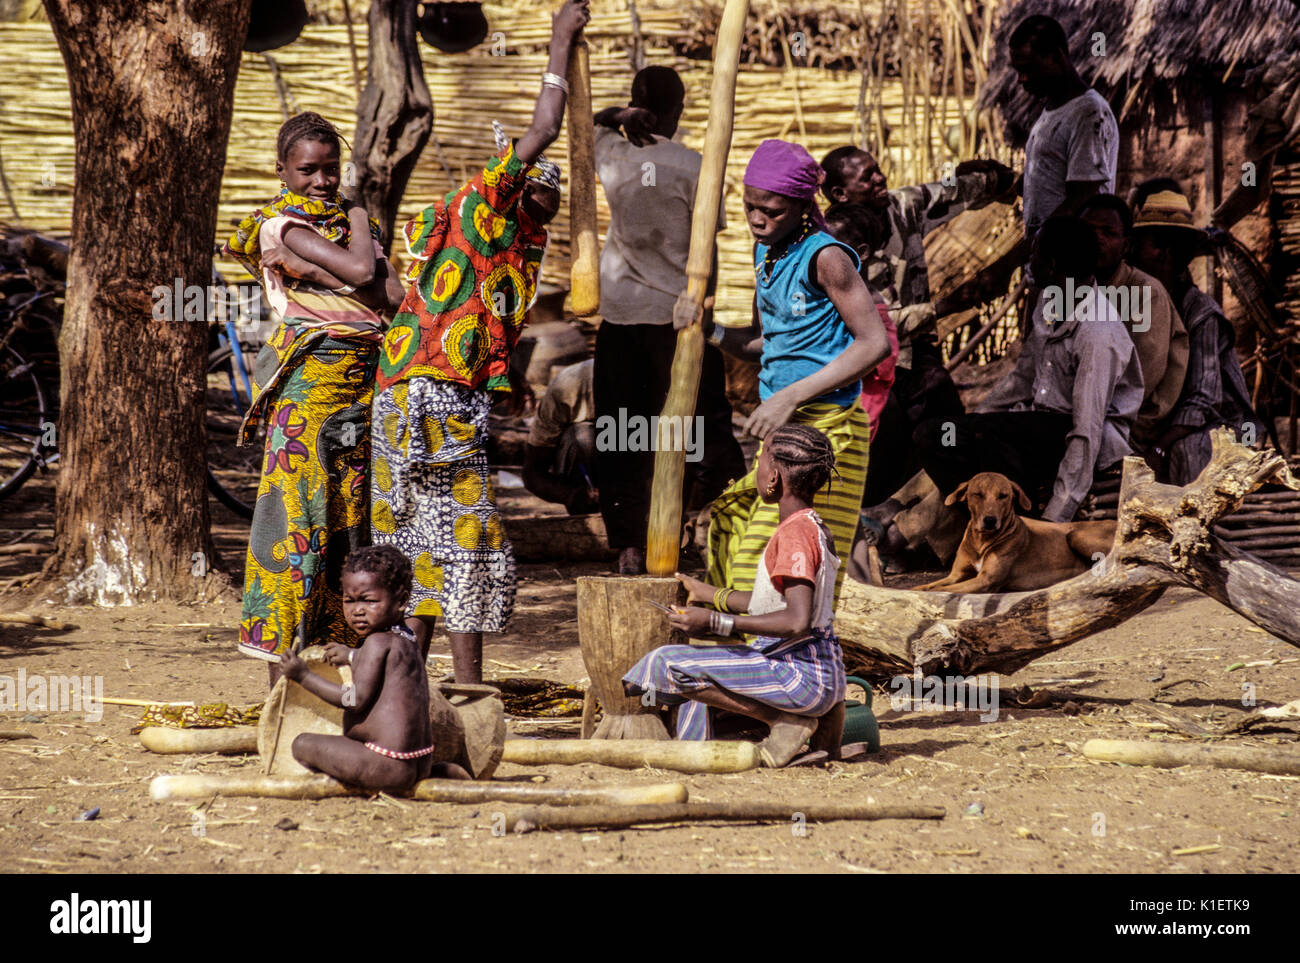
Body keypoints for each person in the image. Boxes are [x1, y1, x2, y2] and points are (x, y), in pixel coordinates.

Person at [370, 0, 590, 683]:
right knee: (459, 538)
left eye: (551, 205)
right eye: (539, 196)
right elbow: (547, 125)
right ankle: (463, 691)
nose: (544, 212)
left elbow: (479, 323)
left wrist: (508, 380)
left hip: (411, 394)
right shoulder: (484, 201)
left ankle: (406, 679)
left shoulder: (517, 246)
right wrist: (561, 39)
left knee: (423, 541)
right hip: (427, 398)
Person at [226, 111, 406, 674]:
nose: (323, 181)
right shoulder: (279, 225)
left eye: (332, 169)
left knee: (347, 520)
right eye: (308, 170)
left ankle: (334, 666)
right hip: (311, 386)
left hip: (361, 386)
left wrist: (324, 269)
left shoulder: (350, 222)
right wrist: (352, 241)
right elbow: (361, 273)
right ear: (281, 170)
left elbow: (395, 296)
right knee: (295, 521)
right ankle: (280, 667)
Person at [683, 139, 891, 602]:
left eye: (771, 211)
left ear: (801, 206)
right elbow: (767, 343)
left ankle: (781, 656)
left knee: (773, 559)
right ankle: (766, 647)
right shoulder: (767, 253)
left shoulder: (826, 257)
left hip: (827, 429)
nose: (757, 219)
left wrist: (790, 396)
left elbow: (874, 343)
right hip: (784, 431)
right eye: (749, 207)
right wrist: (710, 330)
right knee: (731, 525)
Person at [591, 65, 745, 574]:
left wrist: (619, 115)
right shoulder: (695, 165)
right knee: (701, 430)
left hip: (622, 319)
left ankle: (633, 545)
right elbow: (709, 250)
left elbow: (590, 122)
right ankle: (723, 534)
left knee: (621, 432)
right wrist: (706, 305)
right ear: (677, 110)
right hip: (678, 320)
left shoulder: (611, 154)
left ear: (636, 105)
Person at [623, 425, 846, 768]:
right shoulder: (812, 526)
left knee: (669, 662)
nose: (755, 469)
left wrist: (715, 621)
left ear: (773, 478)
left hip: (801, 677)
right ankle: (693, 751)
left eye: (759, 461)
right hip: (826, 678)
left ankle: (783, 722)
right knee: (698, 672)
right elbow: (773, 604)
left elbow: (796, 620)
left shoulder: (794, 536)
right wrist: (711, 595)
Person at [914, 215, 1144, 522]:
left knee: (976, 439)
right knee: (937, 435)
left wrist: (1057, 515)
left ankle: (1029, 524)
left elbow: (1086, 430)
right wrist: (973, 423)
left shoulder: (1098, 332)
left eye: (1032, 256)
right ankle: (983, 519)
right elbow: (1022, 380)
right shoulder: (1050, 304)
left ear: (1050, 266)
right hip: (1035, 430)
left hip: (1074, 436)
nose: (1028, 265)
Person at [819, 146, 1013, 503]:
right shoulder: (831, 244)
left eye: (877, 170)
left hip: (916, 352)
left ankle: (952, 502)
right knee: (888, 438)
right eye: (867, 176)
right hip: (866, 364)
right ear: (839, 194)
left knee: (947, 426)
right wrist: (946, 305)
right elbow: (870, 324)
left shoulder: (900, 206)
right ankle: (884, 508)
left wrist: (997, 180)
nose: (880, 178)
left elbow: (949, 190)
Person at [279, 545, 471, 791]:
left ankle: (356, 785)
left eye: (369, 601)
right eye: (350, 600)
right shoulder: (407, 639)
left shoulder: (376, 643)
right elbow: (383, 667)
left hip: (385, 764)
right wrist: (350, 655)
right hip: (420, 762)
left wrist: (303, 676)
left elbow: (353, 700)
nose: (357, 610)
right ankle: (438, 772)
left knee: (302, 743)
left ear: (401, 601)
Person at [1127, 182, 1263, 484]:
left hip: (1214, 425)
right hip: (1157, 422)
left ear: (1169, 254)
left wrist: (1160, 445)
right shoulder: (1131, 301)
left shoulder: (1201, 313)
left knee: (1187, 452)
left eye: (1153, 244)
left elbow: (1204, 399)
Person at [1079, 193, 1188, 442]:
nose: (1097, 239)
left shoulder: (1147, 293)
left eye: (1108, 232)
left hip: (1131, 422)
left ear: (1126, 246)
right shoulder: (1069, 290)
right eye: (1088, 231)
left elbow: (1139, 382)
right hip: (1085, 414)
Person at [822, 202, 899, 442]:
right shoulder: (832, 295)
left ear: (862, 252)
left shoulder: (870, 305)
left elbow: (878, 366)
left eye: (830, 247)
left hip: (855, 414)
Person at [521, 358, 599, 514]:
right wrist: (574, 495)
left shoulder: (657, 384)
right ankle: (587, 517)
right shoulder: (569, 387)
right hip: (596, 477)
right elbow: (533, 473)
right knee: (582, 438)